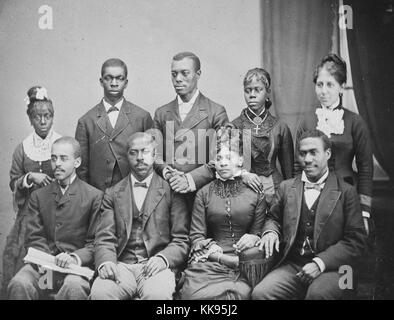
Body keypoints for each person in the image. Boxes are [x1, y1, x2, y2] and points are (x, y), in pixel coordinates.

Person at [252, 130, 367, 300]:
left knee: (317, 295)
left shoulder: (347, 192)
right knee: (261, 293)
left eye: (313, 152)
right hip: (294, 265)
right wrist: (271, 231)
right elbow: (273, 218)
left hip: (337, 268)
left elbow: (356, 241)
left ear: (327, 154)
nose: (307, 159)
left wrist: (320, 263)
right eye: (303, 153)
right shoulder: (286, 187)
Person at [90, 132, 190, 300]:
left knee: (157, 296)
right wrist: (106, 262)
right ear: (127, 156)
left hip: (156, 266)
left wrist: (162, 259)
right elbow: (104, 237)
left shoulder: (171, 191)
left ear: (154, 155)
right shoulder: (113, 193)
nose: (140, 157)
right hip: (121, 266)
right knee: (100, 293)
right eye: (133, 152)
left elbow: (181, 239)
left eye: (145, 151)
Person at [172, 67, 294, 202]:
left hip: (275, 190)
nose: (252, 95)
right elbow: (219, 161)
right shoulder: (233, 126)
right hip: (243, 190)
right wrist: (243, 173)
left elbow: (289, 170)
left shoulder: (280, 127)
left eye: (258, 90)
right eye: (248, 90)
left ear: (268, 92)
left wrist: (289, 196)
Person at [7, 137, 103, 300]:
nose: (57, 163)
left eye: (63, 158)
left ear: (77, 162)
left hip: (76, 268)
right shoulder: (39, 196)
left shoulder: (94, 196)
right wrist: (49, 261)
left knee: (74, 287)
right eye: (53, 158)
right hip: (44, 266)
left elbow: (96, 242)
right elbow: (34, 236)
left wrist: (73, 257)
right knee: (19, 283)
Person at [179, 128, 266, 300]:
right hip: (212, 260)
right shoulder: (204, 193)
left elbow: (259, 231)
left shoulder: (255, 192)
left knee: (239, 295)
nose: (223, 163)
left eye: (229, 158)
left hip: (246, 262)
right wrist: (220, 257)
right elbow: (196, 236)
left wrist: (253, 238)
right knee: (192, 294)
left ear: (240, 160)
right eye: (219, 159)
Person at [295, 54, 373, 234]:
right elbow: (297, 168)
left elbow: (366, 169)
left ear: (341, 87)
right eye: (320, 84)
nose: (324, 91)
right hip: (313, 196)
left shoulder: (355, 122)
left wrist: (365, 211)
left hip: (347, 198)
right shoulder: (306, 122)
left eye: (330, 84)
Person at [2, 86, 62, 293]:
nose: (43, 122)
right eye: (37, 117)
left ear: (53, 117)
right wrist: (29, 177)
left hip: (57, 213)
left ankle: (48, 292)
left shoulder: (61, 144)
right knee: (23, 259)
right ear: (30, 119)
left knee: (49, 256)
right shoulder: (23, 148)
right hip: (29, 215)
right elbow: (13, 181)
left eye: (47, 116)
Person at [153, 52, 229, 212]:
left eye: (184, 73)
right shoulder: (161, 113)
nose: (178, 79)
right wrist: (167, 173)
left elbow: (225, 156)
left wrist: (190, 179)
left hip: (203, 197)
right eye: (174, 74)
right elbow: (154, 154)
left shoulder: (216, 111)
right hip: (169, 196)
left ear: (198, 74)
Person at [75, 58, 153, 191]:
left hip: (133, 193)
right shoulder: (86, 121)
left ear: (126, 82)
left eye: (119, 78)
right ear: (101, 81)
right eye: (108, 78)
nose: (114, 83)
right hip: (99, 196)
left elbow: (151, 160)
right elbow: (82, 169)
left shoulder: (142, 117)